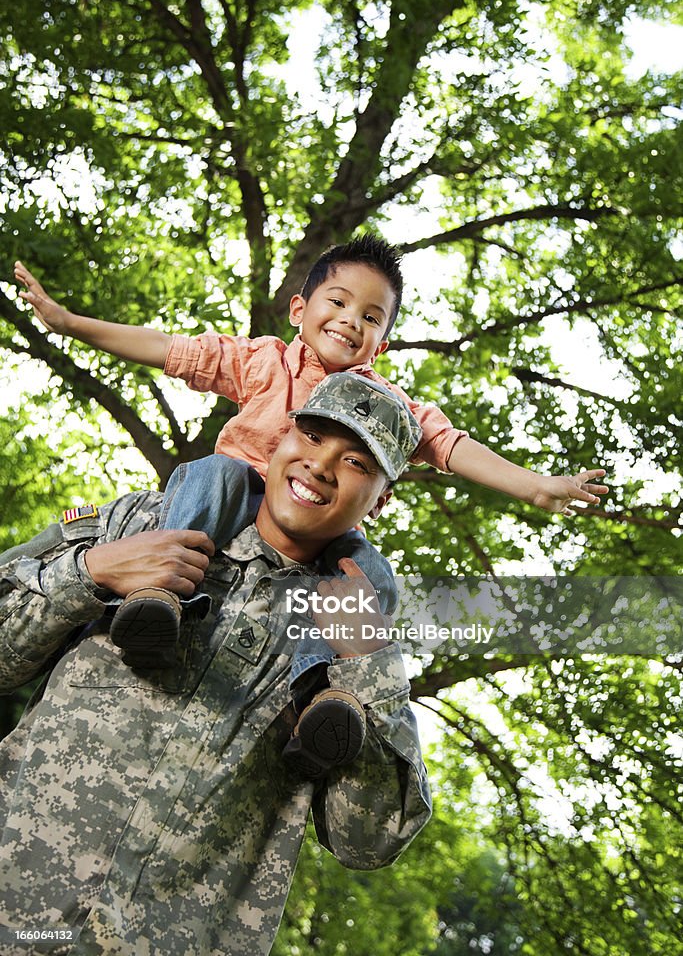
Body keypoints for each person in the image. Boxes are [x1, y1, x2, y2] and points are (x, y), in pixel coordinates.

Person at [14, 234, 608, 772]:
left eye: (372, 317)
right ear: (300, 309)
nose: (352, 321)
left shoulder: (386, 405)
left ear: (384, 339)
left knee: (367, 570)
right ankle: (162, 596)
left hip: (316, 531)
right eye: (339, 302)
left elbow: (451, 446)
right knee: (213, 473)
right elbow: (170, 350)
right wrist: (70, 323)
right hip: (236, 493)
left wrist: (534, 484)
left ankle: (317, 701)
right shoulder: (265, 361)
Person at [0, 373, 431, 956]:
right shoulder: (148, 523)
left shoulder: (359, 632)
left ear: (381, 499)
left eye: (355, 461)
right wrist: (91, 571)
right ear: (279, 440)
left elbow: (371, 841)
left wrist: (369, 667)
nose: (320, 466)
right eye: (310, 435)